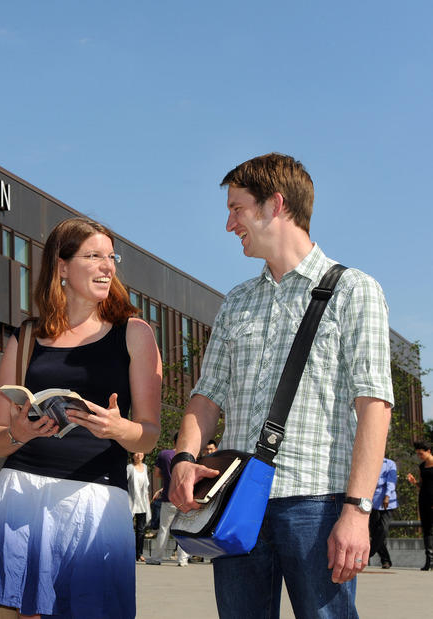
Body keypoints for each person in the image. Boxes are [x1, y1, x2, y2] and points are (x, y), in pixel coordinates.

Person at [169, 153, 394, 617]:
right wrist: (186, 459)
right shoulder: (236, 302)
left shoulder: (355, 290)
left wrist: (356, 510)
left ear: (275, 205)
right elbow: (206, 394)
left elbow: (376, 406)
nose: (230, 223)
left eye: (237, 208)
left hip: (317, 501)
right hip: (236, 502)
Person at [0, 217, 162, 618]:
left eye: (111, 257)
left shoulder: (134, 332)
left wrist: (118, 428)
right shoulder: (25, 337)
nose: (107, 266)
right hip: (23, 493)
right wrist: (19, 433)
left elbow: (148, 436)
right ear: (61, 267)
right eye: (93, 256)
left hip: (96, 498)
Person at [146, 437, 189, 567]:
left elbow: (157, 473)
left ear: (173, 441)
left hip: (169, 498)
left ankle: (157, 558)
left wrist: (167, 477)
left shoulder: (164, 455)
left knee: (164, 529)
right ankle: (183, 559)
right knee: (183, 529)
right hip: (184, 498)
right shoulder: (189, 457)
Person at [407, 440, 433, 570]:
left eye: (421, 454)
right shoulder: (422, 467)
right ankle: (429, 561)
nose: (419, 456)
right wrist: (414, 482)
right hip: (424, 500)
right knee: (426, 530)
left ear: (428, 451)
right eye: (418, 454)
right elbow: (422, 485)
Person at [369, 457, 397, 569]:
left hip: (387, 502)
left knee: (383, 529)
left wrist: (387, 496)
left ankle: (368, 554)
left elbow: (392, 481)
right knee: (375, 532)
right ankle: (385, 560)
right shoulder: (369, 462)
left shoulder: (390, 463)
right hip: (372, 501)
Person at [127, 452, 151, 562]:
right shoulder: (130, 468)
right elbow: (124, 483)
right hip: (131, 501)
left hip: (142, 502)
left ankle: (139, 553)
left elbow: (146, 487)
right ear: (132, 455)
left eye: (140, 452)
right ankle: (127, 552)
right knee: (127, 529)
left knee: (141, 530)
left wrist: (148, 501)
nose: (138, 455)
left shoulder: (145, 467)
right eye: (136, 452)